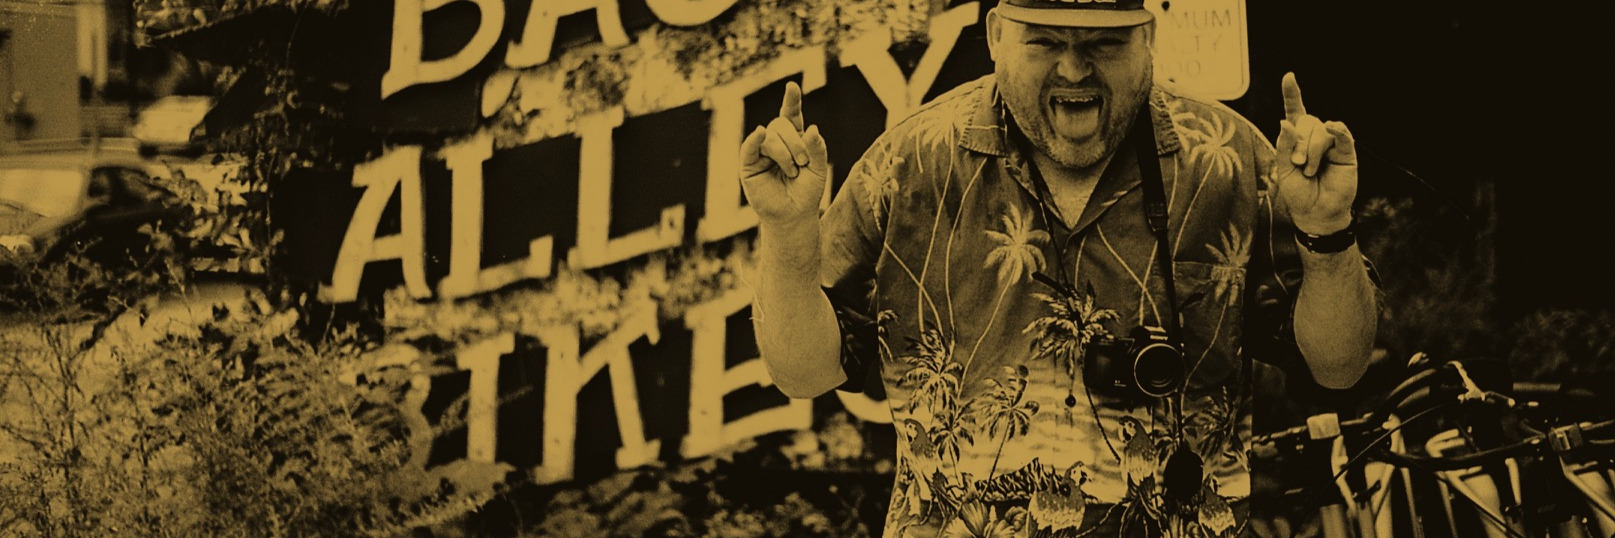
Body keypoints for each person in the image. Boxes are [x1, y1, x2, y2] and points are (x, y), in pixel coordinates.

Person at [739, 0, 1378, 535]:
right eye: (1044, 41)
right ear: (996, 36)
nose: (1074, 68)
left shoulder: (1230, 157)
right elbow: (803, 372)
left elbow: (1340, 366)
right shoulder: (908, 164)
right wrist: (787, 233)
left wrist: (1327, 230)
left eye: (1105, 43)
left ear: (1149, 38)